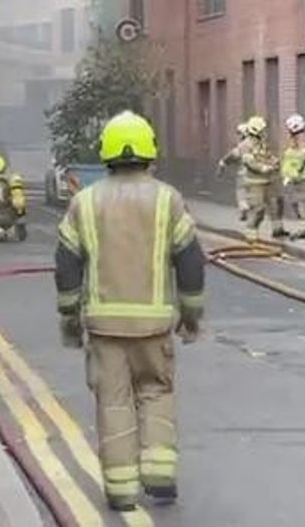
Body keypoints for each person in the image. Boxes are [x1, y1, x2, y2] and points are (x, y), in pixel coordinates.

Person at [54, 111, 206, 512]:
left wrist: (69, 318)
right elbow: (190, 260)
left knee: (114, 403)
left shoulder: (85, 202)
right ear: (149, 151)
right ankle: (160, 477)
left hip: (105, 329)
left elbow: (66, 265)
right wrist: (192, 314)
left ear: (106, 153)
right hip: (154, 328)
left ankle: (121, 491)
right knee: (156, 393)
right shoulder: (168, 200)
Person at [238, 115, 285, 242]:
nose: (265, 132)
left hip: (268, 181)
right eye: (262, 130)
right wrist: (264, 168)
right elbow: (250, 163)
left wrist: (275, 162)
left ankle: (278, 230)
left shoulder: (262, 144)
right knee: (257, 210)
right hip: (254, 183)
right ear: (255, 130)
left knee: (275, 204)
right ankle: (251, 236)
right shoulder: (245, 146)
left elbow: (268, 156)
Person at [279, 114, 305, 239]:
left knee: (301, 203)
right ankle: (303, 227)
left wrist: (294, 173)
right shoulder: (296, 139)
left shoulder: (302, 140)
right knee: (296, 202)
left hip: (300, 177)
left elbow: (302, 157)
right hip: (293, 177)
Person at [216, 123, 250, 221]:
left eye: (239, 133)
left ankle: (244, 208)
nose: (237, 136)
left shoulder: (241, 147)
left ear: (242, 134)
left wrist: (221, 166)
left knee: (241, 192)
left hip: (243, 174)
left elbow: (230, 158)